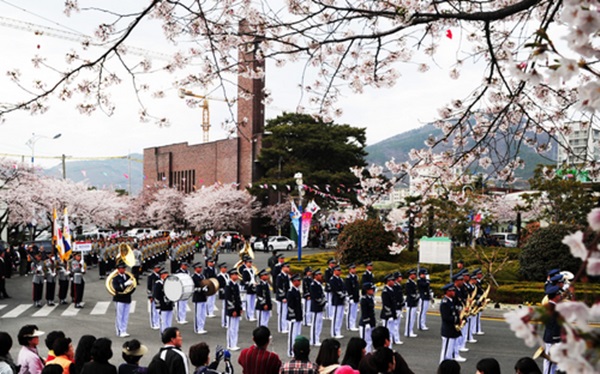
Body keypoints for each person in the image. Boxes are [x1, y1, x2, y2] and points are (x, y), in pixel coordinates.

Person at [439, 283, 464, 363]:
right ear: (447, 292)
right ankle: (442, 368)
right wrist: (457, 319)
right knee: (445, 353)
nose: (454, 292)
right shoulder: (445, 303)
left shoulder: (451, 301)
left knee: (449, 352)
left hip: (452, 330)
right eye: (452, 291)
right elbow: (446, 317)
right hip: (448, 331)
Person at [112, 263, 135, 338]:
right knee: (119, 315)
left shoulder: (128, 276)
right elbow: (116, 288)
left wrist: (129, 291)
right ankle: (119, 331)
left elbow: (133, 287)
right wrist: (125, 284)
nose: (123, 269)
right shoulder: (115, 278)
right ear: (118, 269)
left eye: (124, 268)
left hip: (127, 298)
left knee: (125, 316)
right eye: (121, 268)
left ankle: (124, 330)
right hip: (119, 298)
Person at [542, 285, 562, 374]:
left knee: (552, 362)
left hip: (551, 337)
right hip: (553, 339)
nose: (560, 296)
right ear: (555, 296)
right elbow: (553, 325)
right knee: (551, 362)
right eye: (559, 294)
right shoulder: (553, 308)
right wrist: (556, 340)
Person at [225, 268, 243, 351]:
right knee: (231, 327)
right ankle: (230, 344)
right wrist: (233, 310)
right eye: (234, 274)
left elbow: (238, 298)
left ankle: (234, 343)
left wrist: (240, 308)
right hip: (231, 310)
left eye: (236, 274)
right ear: (231, 276)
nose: (236, 276)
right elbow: (229, 299)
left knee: (236, 327)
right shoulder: (228, 286)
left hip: (236, 308)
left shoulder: (236, 285)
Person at [286, 274, 303, 357]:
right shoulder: (291, 292)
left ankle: (296, 350)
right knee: (292, 335)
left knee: (297, 335)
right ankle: (290, 351)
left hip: (298, 316)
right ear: (293, 282)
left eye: (300, 280)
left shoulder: (297, 291)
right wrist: (292, 316)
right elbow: (290, 306)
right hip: (293, 317)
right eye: (298, 280)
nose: (299, 282)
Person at [153, 268, 174, 333]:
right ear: (161, 275)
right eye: (165, 274)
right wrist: (158, 307)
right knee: (164, 321)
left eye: (167, 273)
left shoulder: (169, 282)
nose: (167, 275)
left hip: (169, 305)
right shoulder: (158, 284)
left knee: (169, 321)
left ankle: (169, 333)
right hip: (162, 305)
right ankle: (164, 333)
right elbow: (156, 296)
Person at [309, 269, 326, 347]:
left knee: (319, 324)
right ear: (315, 276)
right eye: (319, 274)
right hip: (316, 307)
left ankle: (317, 338)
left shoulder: (319, 284)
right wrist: (322, 302)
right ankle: (313, 340)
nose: (321, 276)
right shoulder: (313, 285)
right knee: (315, 324)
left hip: (320, 307)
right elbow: (315, 297)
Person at [380, 275, 398, 347]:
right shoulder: (385, 291)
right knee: (385, 334)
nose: (394, 282)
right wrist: (390, 315)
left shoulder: (391, 289)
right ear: (388, 281)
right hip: (387, 316)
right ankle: (384, 349)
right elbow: (386, 305)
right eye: (392, 280)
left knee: (391, 332)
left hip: (392, 315)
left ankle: (389, 348)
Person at [329, 265, 346, 339]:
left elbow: (344, 288)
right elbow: (334, 289)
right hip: (336, 300)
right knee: (336, 317)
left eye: (340, 270)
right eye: (338, 270)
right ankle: (334, 332)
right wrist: (341, 294)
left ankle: (338, 331)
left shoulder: (340, 279)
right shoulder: (332, 279)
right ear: (334, 271)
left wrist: (345, 294)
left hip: (341, 300)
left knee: (340, 317)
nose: (340, 271)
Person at [191, 262, 208, 335]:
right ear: (195, 269)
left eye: (201, 267)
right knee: (198, 314)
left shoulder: (202, 276)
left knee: (203, 313)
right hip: (197, 297)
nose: (200, 269)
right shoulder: (193, 277)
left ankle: (202, 326)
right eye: (199, 267)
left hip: (203, 297)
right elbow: (193, 288)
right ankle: (198, 328)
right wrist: (201, 289)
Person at [359, 283, 376, 352]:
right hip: (365, 324)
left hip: (371, 322)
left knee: (370, 341)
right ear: (367, 290)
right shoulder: (364, 299)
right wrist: (366, 322)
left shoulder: (370, 298)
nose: (372, 291)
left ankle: (368, 355)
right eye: (371, 289)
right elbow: (364, 312)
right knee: (364, 342)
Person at [275, 262, 291, 334]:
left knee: (286, 312)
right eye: (287, 267)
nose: (288, 268)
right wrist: (283, 297)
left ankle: (286, 326)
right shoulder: (279, 276)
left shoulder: (287, 276)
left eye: (288, 267)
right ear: (283, 268)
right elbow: (279, 288)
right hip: (282, 298)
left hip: (287, 297)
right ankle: (281, 328)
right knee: (282, 313)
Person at [241, 257, 257, 322]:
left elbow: (254, 278)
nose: (250, 264)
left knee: (253, 302)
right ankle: (248, 316)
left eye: (251, 262)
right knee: (248, 303)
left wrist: (255, 283)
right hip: (248, 288)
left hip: (253, 287)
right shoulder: (245, 271)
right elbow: (245, 280)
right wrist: (251, 283)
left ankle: (252, 315)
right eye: (249, 262)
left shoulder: (252, 270)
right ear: (246, 263)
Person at [404, 269, 418, 338]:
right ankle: (408, 332)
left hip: (414, 302)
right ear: (410, 275)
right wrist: (415, 296)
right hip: (410, 302)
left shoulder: (413, 282)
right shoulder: (408, 283)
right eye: (413, 274)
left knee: (412, 318)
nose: (415, 275)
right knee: (409, 318)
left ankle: (411, 330)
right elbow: (409, 293)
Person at [147, 263, 162, 330]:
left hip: (159, 295)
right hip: (153, 295)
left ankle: (158, 322)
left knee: (158, 310)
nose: (158, 269)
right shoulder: (151, 276)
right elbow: (149, 287)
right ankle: (153, 323)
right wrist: (150, 296)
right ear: (154, 269)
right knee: (154, 310)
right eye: (157, 268)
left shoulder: (160, 275)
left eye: (159, 268)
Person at [345, 264, 360, 332]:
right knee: (350, 312)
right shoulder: (348, 278)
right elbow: (348, 288)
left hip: (356, 296)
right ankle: (349, 325)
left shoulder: (356, 277)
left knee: (354, 312)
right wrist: (350, 297)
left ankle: (353, 325)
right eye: (352, 268)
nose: (354, 270)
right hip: (351, 297)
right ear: (350, 270)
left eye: (354, 268)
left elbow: (357, 287)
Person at [216, 263, 229, 328]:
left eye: (225, 268)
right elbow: (219, 286)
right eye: (224, 268)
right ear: (221, 269)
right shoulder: (219, 276)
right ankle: (224, 322)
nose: (225, 269)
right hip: (223, 293)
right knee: (224, 308)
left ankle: (227, 321)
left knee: (228, 307)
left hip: (228, 293)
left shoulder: (227, 275)